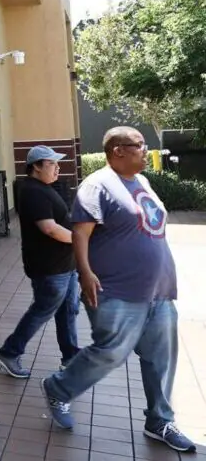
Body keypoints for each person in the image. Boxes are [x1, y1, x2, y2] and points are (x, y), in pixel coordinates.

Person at [40, 127, 196, 453]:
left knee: (161, 358)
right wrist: (84, 274)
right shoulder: (97, 185)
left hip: (158, 290)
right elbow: (80, 234)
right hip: (115, 289)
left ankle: (160, 421)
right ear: (117, 151)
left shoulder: (143, 182)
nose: (145, 149)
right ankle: (58, 387)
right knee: (111, 351)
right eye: (138, 145)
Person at [0, 145, 80, 378]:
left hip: (66, 265)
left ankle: (71, 358)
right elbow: (50, 229)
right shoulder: (33, 191)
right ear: (36, 167)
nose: (57, 168)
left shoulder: (44, 188)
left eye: (57, 163)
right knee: (42, 310)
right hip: (50, 268)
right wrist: (79, 240)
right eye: (51, 164)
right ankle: (10, 352)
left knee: (68, 311)